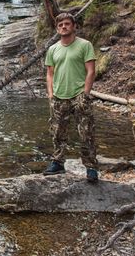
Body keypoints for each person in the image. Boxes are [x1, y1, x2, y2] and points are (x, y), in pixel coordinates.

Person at [43, 12, 99, 182]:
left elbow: (91, 70)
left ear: (74, 26)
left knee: (86, 132)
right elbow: (50, 73)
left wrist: (86, 94)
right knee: (58, 133)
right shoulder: (53, 49)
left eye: (67, 24)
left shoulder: (84, 45)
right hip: (59, 96)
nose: (63, 27)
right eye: (60, 25)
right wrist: (51, 94)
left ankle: (91, 167)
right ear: (57, 28)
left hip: (79, 96)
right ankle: (58, 163)